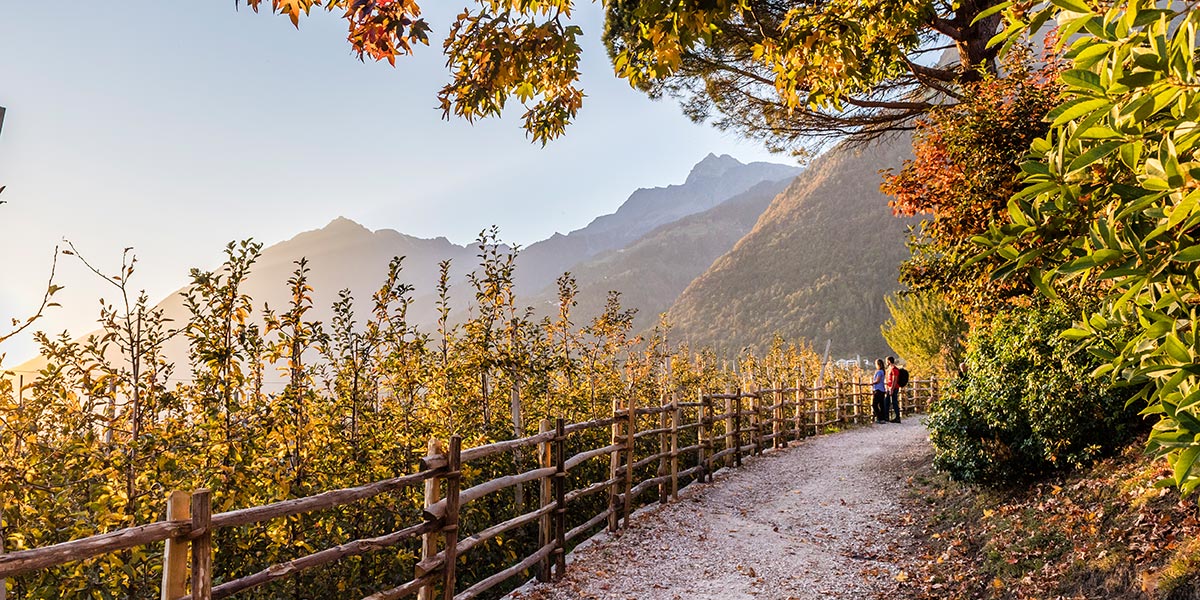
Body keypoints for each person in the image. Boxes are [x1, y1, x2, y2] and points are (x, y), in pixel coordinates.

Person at [885, 356, 901, 423]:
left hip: (893, 388)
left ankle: (897, 417)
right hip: (890, 387)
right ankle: (887, 417)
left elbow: (895, 380)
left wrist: (892, 388)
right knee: (887, 401)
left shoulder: (894, 369)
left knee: (894, 402)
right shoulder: (890, 369)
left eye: (886, 361)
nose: (886, 362)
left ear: (889, 361)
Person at [871, 359, 887, 424]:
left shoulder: (879, 372)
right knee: (881, 404)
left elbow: (877, 380)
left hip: (878, 389)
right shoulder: (882, 371)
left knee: (874, 404)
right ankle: (883, 418)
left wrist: (872, 383)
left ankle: (879, 417)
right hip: (882, 389)